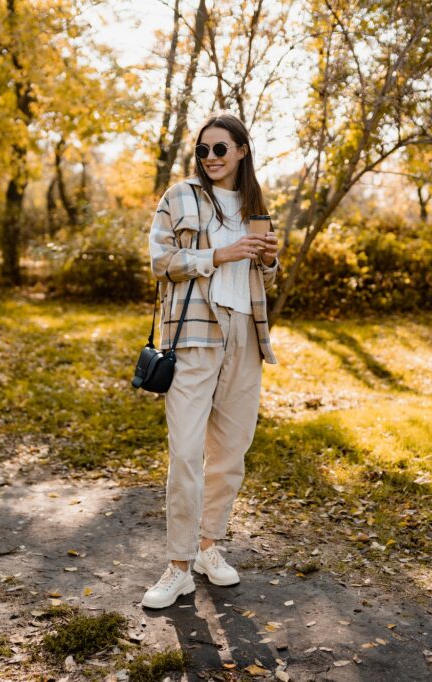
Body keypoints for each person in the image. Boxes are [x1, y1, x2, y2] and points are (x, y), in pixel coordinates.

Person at [141, 112, 279, 609]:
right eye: (203, 151)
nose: (211, 159)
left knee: (230, 454)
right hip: (196, 334)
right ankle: (177, 566)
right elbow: (160, 263)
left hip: (245, 333)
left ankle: (207, 548)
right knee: (185, 452)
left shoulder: (254, 204)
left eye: (220, 149)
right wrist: (217, 255)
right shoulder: (179, 196)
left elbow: (263, 266)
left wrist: (265, 258)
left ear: (241, 150)